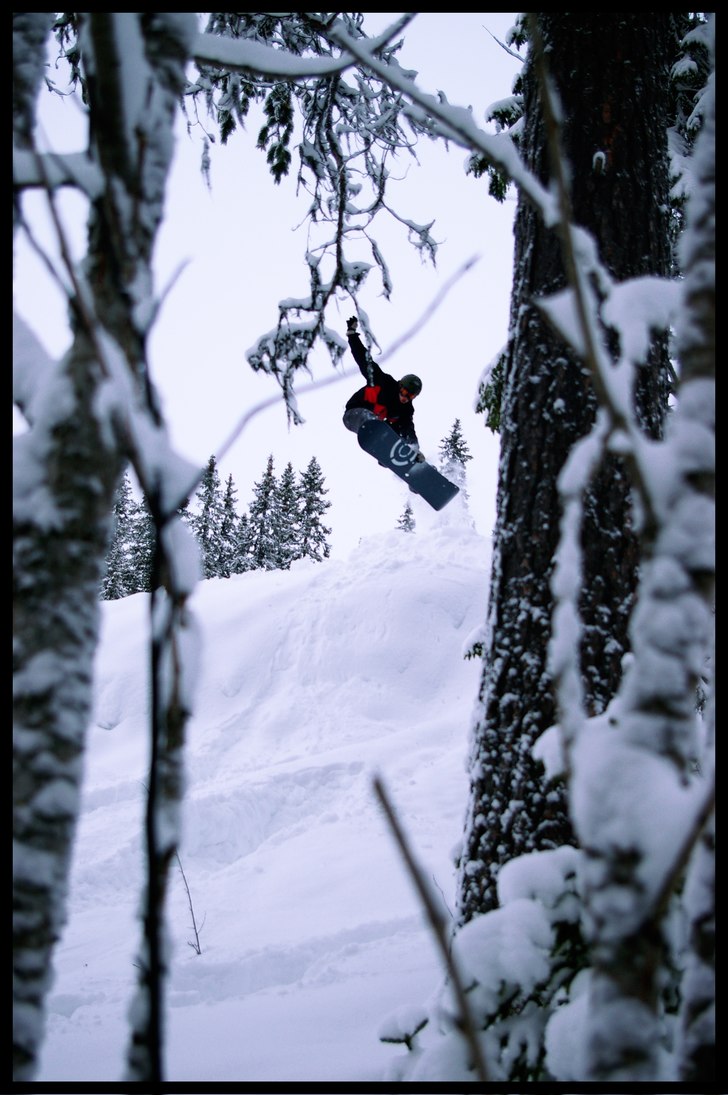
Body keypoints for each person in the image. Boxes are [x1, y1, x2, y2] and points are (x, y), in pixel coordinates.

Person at [342, 315, 426, 460]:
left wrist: (414, 449)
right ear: (400, 386)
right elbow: (364, 360)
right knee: (377, 423)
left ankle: (390, 458)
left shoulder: (406, 409)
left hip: (376, 425)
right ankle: (383, 442)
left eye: (411, 396)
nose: (405, 398)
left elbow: (408, 429)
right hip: (354, 414)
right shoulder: (382, 381)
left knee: (398, 429)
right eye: (405, 392)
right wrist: (352, 335)